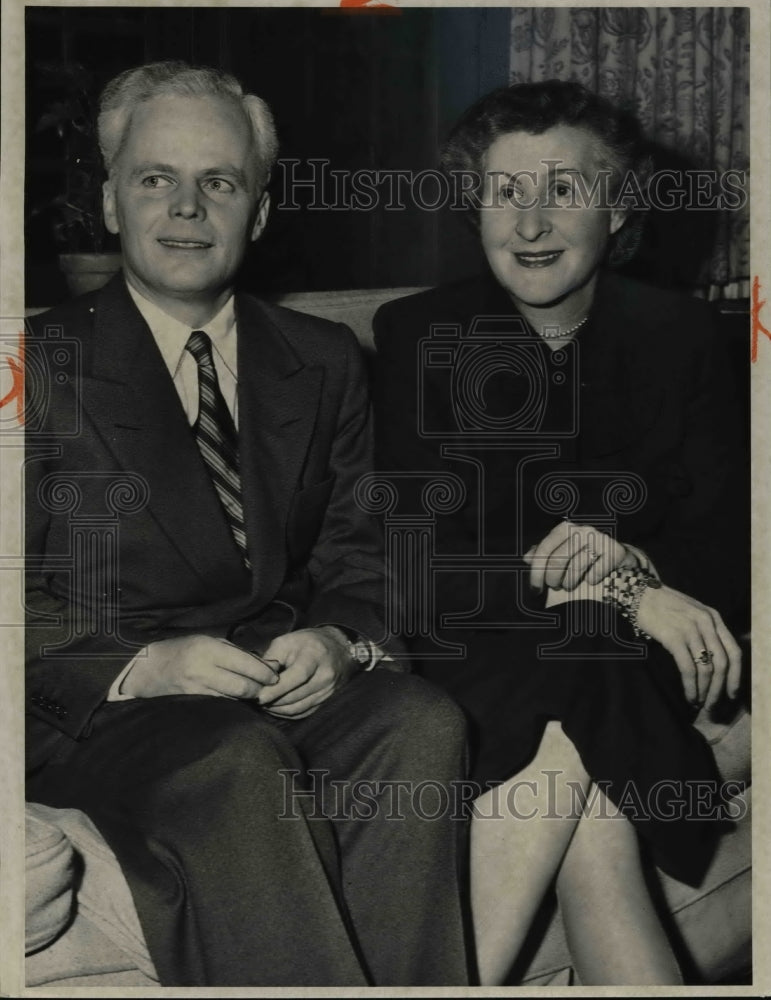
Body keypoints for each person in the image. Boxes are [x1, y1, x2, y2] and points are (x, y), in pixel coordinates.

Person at [25, 60, 471, 987]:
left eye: (219, 182)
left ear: (258, 213)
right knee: (234, 759)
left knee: (419, 724)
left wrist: (343, 639)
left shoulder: (322, 357)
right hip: (95, 709)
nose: (188, 208)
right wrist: (144, 667)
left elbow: (363, 545)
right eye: (157, 179)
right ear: (110, 203)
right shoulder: (34, 365)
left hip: (271, 682)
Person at [372, 80, 749, 985]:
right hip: (476, 636)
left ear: (617, 207)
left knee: (589, 733)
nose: (530, 221)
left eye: (563, 189)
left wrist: (634, 566)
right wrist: (621, 587)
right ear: (477, 206)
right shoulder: (419, 332)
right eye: (505, 191)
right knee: (584, 671)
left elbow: (734, 539)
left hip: (621, 648)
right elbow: (416, 560)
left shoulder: (683, 335)